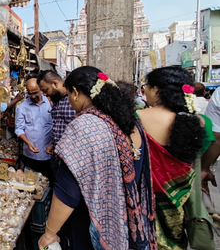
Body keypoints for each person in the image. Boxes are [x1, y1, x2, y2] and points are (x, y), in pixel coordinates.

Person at [38, 66, 156, 250]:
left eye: (69, 95)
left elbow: (67, 191)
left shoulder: (85, 126)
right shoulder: (130, 122)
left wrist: (50, 232)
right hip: (125, 221)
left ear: (76, 93)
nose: (69, 101)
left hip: (92, 223)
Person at [137, 67, 210, 249]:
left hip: (146, 194)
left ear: (156, 89)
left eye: (146, 86)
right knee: (175, 239)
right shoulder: (198, 121)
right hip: (178, 195)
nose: (144, 90)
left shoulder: (138, 117)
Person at [15, 78, 54, 185]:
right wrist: (27, 142)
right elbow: (19, 128)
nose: (32, 96)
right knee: (31, 183)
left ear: (41, 89)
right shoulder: (21, 107)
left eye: (35, 93)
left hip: (49, 154)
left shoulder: (51, 103)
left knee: (48, 184)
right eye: (30, 93)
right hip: (31, 155)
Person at [37, 70, 76, 177]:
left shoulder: (73, 99)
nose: (44, 94)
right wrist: (54, 145)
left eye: (45, 90)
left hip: (69, 159)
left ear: (55, 83)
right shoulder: (57, 99)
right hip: (57, 155)